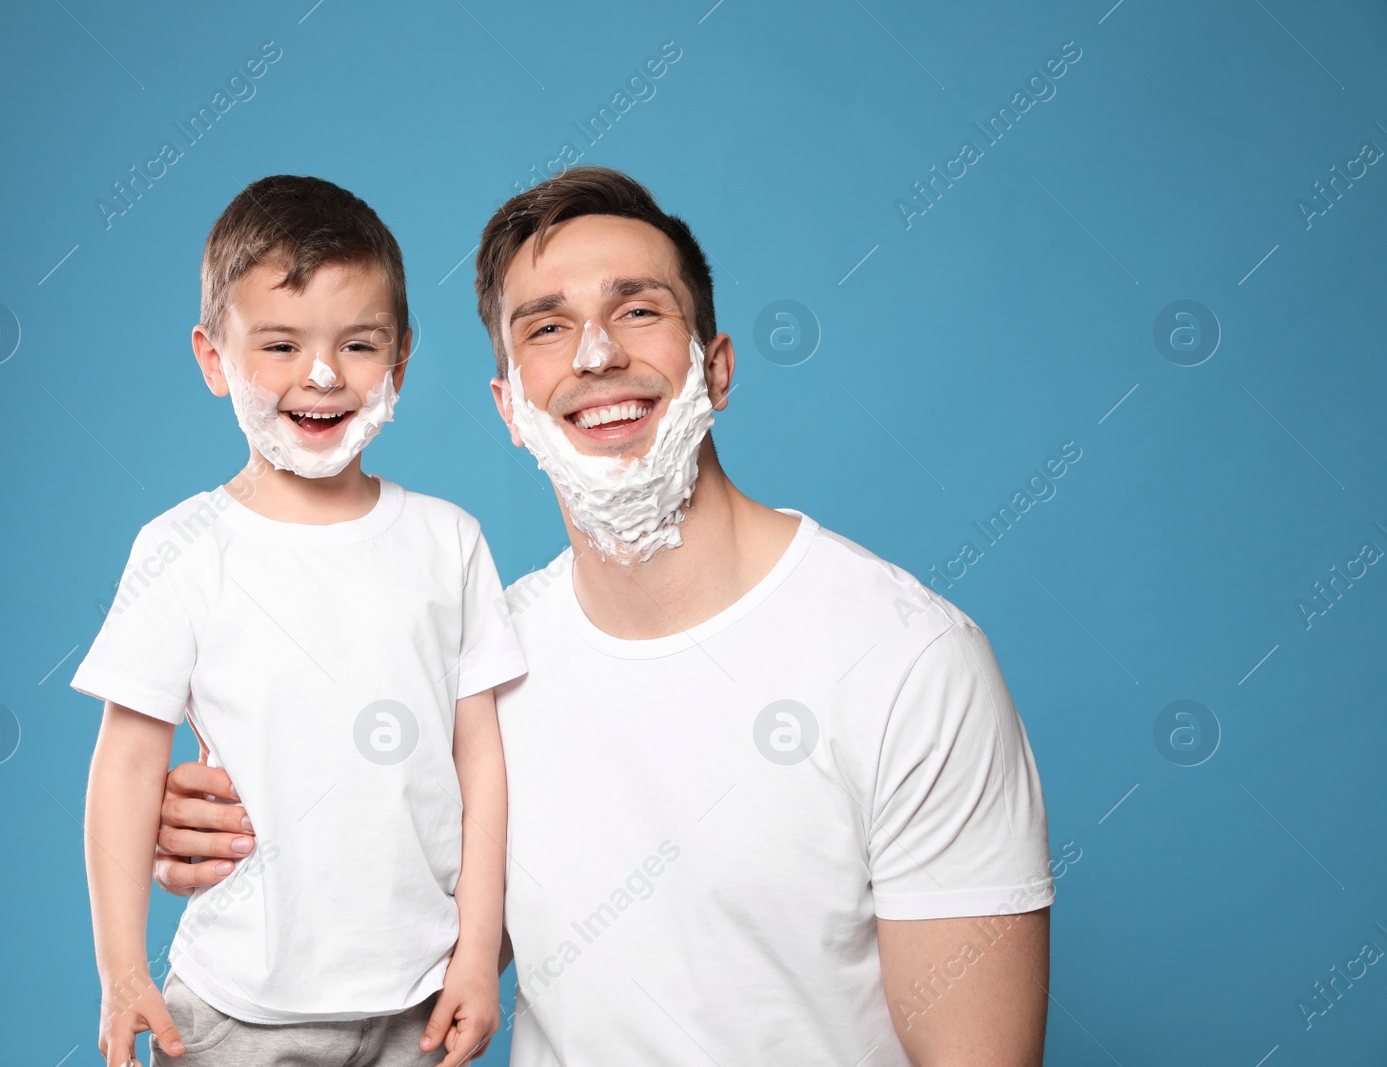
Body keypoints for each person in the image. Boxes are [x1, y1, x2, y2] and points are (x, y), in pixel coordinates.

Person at [152, 168, 1055, 1066]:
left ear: (718, 368)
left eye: (638, 310)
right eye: (546, 327)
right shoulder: (476, 664)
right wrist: (221, 826)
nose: (595, 355)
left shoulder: (910, 660)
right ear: (510, 407)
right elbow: (383, 907)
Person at [71, 175, 526, 1067]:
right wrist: (122, 966)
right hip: (238, 1002)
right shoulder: (183, 548)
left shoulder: (449, 541)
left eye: (358, 345)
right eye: (280, 344)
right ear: (213, 358)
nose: (322, 375)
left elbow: (483, 757)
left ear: (398, 366)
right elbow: (127, 759)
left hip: (420, 995)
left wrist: (478, 954)